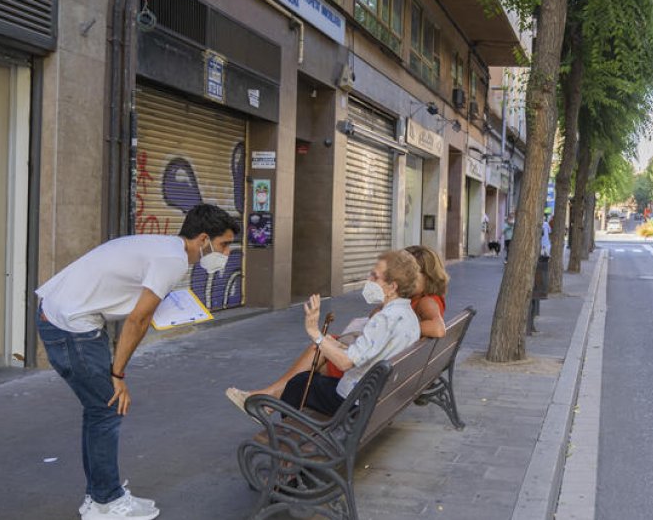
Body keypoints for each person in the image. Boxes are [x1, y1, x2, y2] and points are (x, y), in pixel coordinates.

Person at [36, 204, 240, 520]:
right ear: (203, 239)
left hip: (61, 317)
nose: (226, 253)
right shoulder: (172, 260)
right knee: (107, 408)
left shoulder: (165, 248)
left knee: (98, 410)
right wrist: (117, 374)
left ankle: (100, 495)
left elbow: (137, 303)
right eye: (224, 244)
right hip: (72, 327)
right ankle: (106, 502)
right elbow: (137, 320)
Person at [226, 249, 426, 414]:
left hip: (354, 401)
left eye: (375, 276)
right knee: (309, 380)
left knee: (298, 384)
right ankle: (269, 405)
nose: (369, 279)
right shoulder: (409, 316)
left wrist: (315, 333)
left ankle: (288, 440)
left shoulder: (384, 319)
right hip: (380, 398)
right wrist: (332, 343)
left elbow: (346, 363)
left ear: (392, 286)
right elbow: (371, 351)